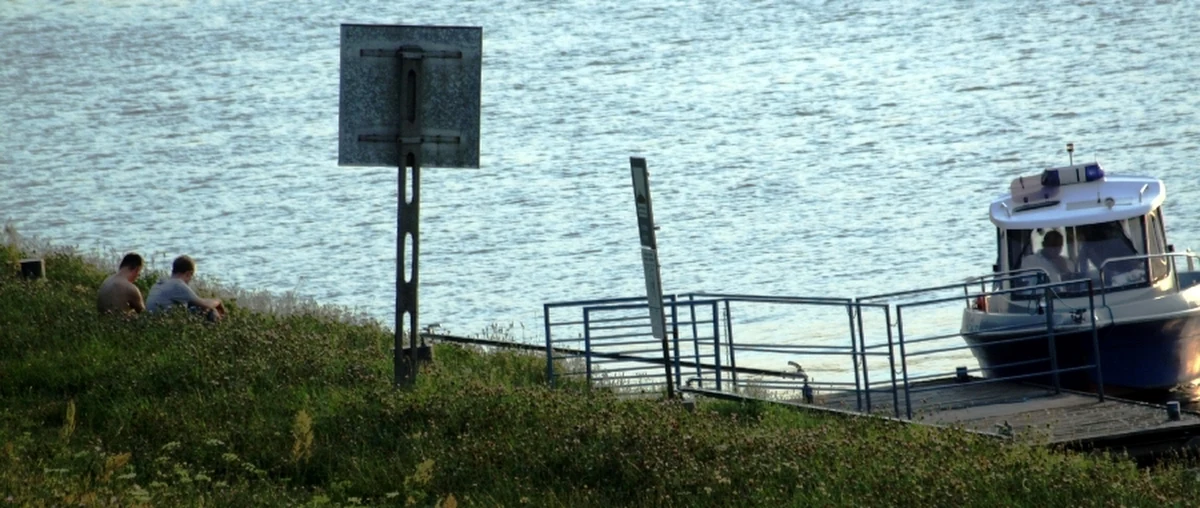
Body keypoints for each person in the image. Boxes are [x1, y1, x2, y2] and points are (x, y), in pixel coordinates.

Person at [145, 255, 226, 321]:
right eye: (191, 276)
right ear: (188, 274)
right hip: (165, 322)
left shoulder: (159, 283)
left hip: (153, 321)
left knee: (193, 306)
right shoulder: (178, 284)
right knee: (211, 311)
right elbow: (205, 304)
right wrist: (218, 301)